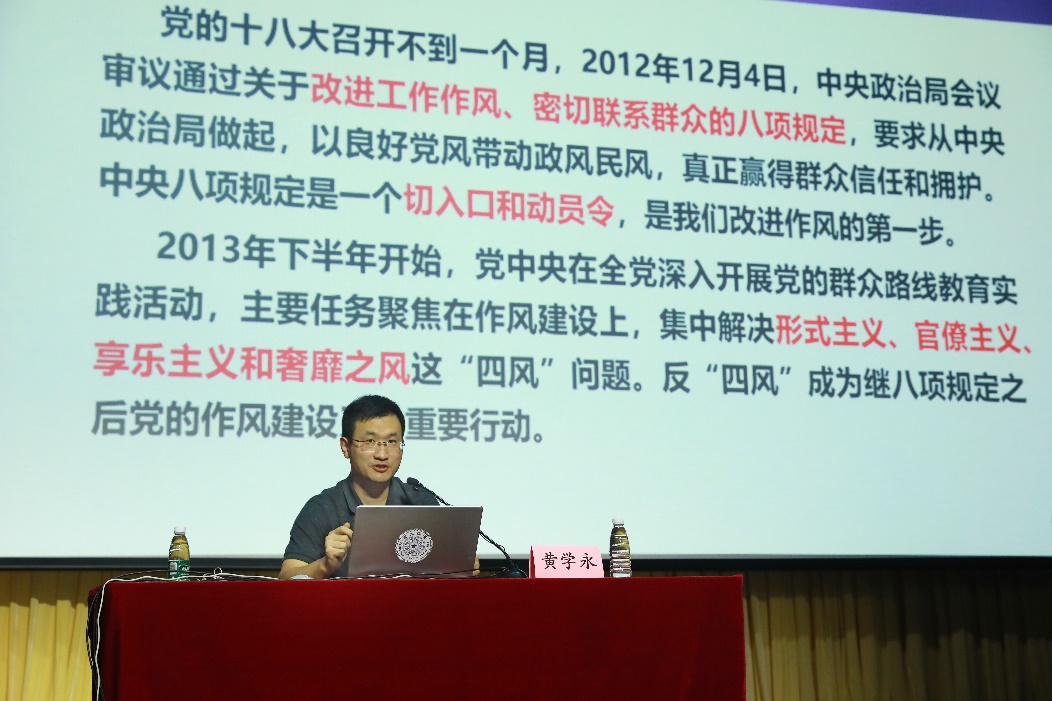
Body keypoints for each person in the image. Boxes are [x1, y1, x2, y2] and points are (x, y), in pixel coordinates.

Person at [279, 394, 475, 579]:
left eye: (392, 441)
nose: (382, 454)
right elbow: (286, 578)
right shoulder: (322, 508)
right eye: (370, 441)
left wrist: (459, 566)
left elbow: (441, 571)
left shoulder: (420, 501)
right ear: (345, 447)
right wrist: (325, 565)